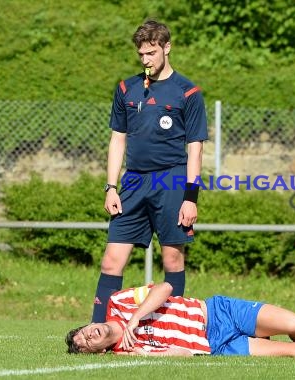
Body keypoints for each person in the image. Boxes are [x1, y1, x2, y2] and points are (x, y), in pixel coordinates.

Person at [91, 20, 208, 323]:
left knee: (172, 258)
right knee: (111, 261)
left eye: (151, 53)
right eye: (141, 54)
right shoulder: (125, 88)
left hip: (172, 180)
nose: (145, 60)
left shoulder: (189, 92)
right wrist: (111, 187)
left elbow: (195, 148)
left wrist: (190, 197)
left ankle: (176, 329)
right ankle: (98, 330)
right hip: (133, 182)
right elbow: (118, 139)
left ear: (167, 48)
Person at [67, 281, 295, 357]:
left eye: (82, 333)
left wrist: (134, 321)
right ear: (97, 351)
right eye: (85, 345)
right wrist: (144, 352)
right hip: (217, 346)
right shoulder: (124, 354)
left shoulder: (120, 303)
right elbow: (182, 356)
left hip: (218, 311)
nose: (87, 337)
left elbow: (165, 287)